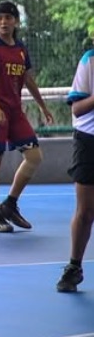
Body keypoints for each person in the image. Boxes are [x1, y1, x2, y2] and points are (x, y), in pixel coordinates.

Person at [0, 1, 54, 233]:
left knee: (34, 156)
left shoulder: (20, 49)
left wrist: (42, 106)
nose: (3, 22)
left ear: (16, 22)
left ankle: (10, 204)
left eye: (8, 18)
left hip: (15, 110)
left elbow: (28, 80)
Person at [59, 46, 94, 292]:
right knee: (85, 211)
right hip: (88, 139)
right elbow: (77, 108)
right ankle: (74, 267)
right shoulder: (89, 61)